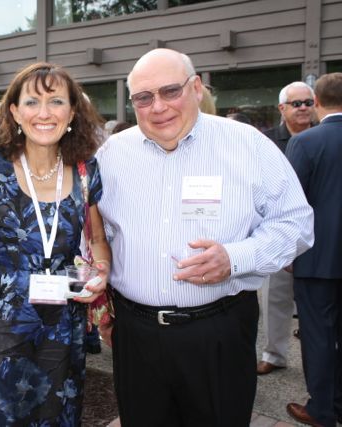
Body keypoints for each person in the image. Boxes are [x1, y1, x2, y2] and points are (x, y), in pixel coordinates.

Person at [96, 48, 314, 426]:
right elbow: (101, 232)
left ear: (196, 88)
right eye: (143, 98)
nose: (158, 107)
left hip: (219, 331)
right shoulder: (112, 154)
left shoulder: (247, 145)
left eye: (170, 91)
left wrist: (235, 258)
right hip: (135, 335)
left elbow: (296, 223)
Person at [0, 62, 111, 425]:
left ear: (72, 112)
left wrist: (101, 272)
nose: (44, 113)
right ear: (15, 112)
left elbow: (98, 239)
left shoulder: (86, 171)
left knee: (54, 413)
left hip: (63, 320)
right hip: (4, 320)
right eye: (32, 102)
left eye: (56, 101)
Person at [285, 72, 342, 427]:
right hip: (319, 255)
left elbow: (291, 205)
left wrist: (288, 252)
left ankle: (322, 409)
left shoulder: (306, 142)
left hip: (316, 256)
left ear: (317, 102)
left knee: (318, 335)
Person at [257, 81, 315, 376]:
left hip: (319, 236)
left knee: (317, 303)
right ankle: (274, 354)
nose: (303, 108)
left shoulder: (323, 137)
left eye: (308, 102)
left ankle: (319, 360)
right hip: (277, 232)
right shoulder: (266, 142)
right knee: (274, 299)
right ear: (282, 108)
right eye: (296, 103)